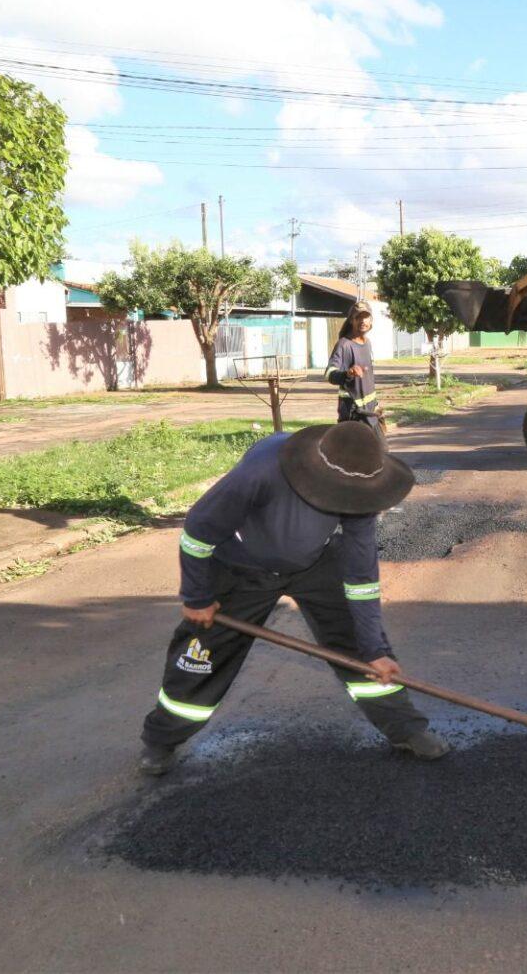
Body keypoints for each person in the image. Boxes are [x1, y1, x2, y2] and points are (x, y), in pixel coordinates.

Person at [138, 421, 449, 775]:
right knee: (202, 654)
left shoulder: (364, 487)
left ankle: (406, 729)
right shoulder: (261, 470)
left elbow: (361, 578)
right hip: (242, 565)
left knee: (361, 649)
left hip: (314, 563)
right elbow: (198, 531)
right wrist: (197, 595)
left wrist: (375, 649)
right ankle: (160, 740)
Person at [327, 302, 384, 431]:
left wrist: (376, 405)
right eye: (358, 317)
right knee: (358, 451)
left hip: (370, 412)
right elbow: (330, 374)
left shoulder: (367, 343)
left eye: (366, 317)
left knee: (380, 450)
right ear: (352, 320)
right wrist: (348, 373)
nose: (363, 321)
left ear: (371, 320)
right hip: (353, 412)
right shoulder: (344, 345)